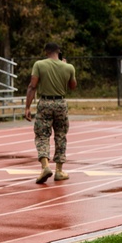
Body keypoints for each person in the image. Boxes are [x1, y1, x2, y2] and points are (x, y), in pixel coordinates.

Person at [24, 42, 76, 184]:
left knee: (42, 135)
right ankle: (59, 171)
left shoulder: (39, 65)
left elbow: (32, 86)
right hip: (61, 104)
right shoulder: (68, 67)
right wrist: (66, 68)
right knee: (60, 136)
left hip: (45, 103)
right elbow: (73, 86)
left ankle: (45, 166)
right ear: (59, 52)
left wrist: (27, 107)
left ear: (46, 52)